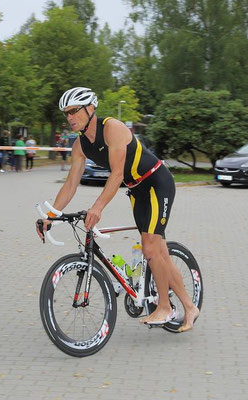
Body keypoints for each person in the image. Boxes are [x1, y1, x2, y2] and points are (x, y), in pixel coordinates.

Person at [35, 87, 199, 330]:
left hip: (156, 182)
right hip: (137, 190)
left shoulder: (113, 128)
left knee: (150, 249)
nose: (70, 117)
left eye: (74, 111)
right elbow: (71, 184)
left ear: (90, 108)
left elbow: (117, 173)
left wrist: (97, 208)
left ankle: (165, 307)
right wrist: (50, 215)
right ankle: (190, 306)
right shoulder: (80, 145)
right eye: (66, 113)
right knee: (160, 254)